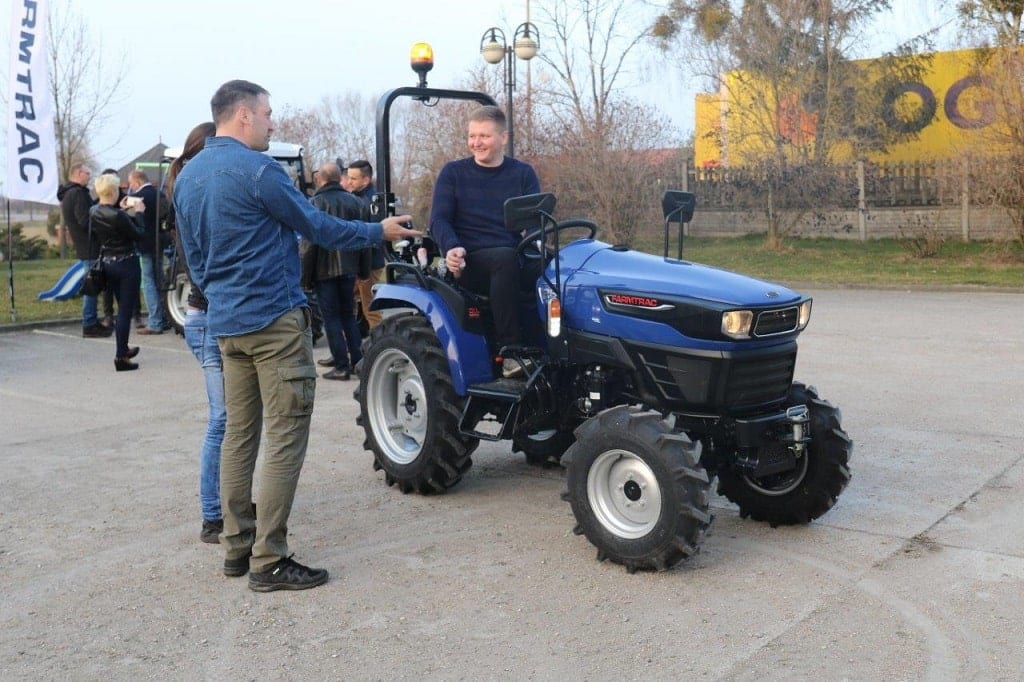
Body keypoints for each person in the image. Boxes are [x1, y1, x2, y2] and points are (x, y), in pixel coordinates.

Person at [174, 79, 419, 592]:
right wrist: (381, 231)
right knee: (285, 436)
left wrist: (219, 297)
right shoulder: (261, 171)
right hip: (273, 323)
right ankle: (269, 559)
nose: (271, 122)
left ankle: (236, 548)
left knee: (240, 435)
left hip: (227, 324)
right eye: (267, 114)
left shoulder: (189, 175)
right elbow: (317, 227)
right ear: (243, 115)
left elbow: (192, 258)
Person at [429, 105, 542, 378]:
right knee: (504, 259)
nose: (476, 143)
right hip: (471, 260)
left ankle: (557, 343)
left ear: (504, 138)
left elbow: (534, 222)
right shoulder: (454, 174)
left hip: (513, 256)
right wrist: (452, 248)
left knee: (556, 266)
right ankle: (511, 351)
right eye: (472, 136)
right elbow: (439, 220)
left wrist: (541, 245)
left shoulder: (522, 174)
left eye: (484, 136)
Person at [166, 121, 225, 545]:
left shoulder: (191, 187)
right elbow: (202, 271)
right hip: (207, 318)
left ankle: (230, 501)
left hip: (208, 316)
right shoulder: (193, 194)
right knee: (221, 419)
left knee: (236, 419)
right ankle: (211, 514)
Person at [304, 162, 369, 381]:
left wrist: (304, 278)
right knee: (348, 316)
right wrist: (364, 270)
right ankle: (358, 361)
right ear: (338, 179)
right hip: (349, 268)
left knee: (331, 318)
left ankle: (341, 365)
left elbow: (308, 245)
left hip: (324, 271)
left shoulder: (314, 204)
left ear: (320, 179)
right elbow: (365, 237)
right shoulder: (356, 202)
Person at [90, 172, 144, 370]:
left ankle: (124, 347)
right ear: (113, 191)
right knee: (124, 311)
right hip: (126, 263)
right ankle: (121, 357)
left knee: (120, 307)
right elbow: (138, 233)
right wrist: (138, 212)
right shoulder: (118, 215)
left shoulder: (94, 211)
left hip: (108, 262)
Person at [58, 164, 111, 338]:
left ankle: (92, 321)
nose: (89, 177)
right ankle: (89, 323)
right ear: (78, 174)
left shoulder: (69, 193)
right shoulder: (77, 193)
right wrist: (102, 227)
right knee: (92, 285)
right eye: (87, 174)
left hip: (84, 245)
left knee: (92, 284)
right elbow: (84, 220)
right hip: (90, 246)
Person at [127, 170, 170, 335]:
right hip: (160, 242)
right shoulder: (159, 194)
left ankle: (155, 322)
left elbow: (131, 218)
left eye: (131, 183)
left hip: (145, 243)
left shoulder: (137, 197)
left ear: (137, 182)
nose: (131, 186)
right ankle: (165, 317)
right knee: (159, 280)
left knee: (148, 283)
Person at [347, 159, 384, 331]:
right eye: (348, 177)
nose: (349, 182)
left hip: (368, 264)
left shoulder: (372, 203)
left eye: (353, 179)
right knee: (352, 305)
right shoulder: (356, 199)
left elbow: (374, 237)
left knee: (371, 308)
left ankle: (380, 343)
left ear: (366, 180)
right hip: (358, 262)